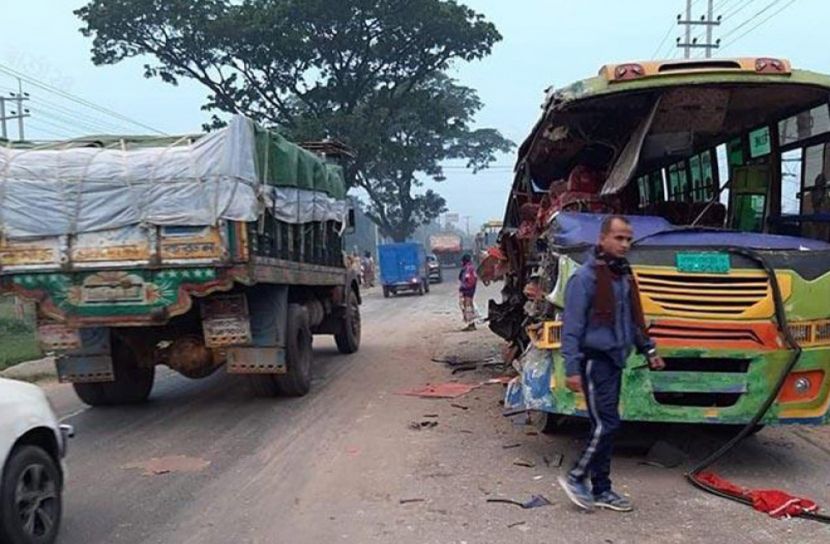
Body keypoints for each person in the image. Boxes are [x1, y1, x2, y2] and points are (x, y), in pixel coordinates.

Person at [557, 215, 665, 513]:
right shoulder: (585, 279)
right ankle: (576, 476)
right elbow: (572, 329)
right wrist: (572, 368)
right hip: (594, 362)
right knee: (607, 424)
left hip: (616, 361)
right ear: (602, 239)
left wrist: (648, 349)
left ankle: (602, 489)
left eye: (628, 239)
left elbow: (632, 320)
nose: (624, 244)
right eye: (618, 238)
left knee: (604, 425)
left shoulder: (622, 275)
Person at [458, 254, 478, 330]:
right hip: (471, 290)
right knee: (468, 305)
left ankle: (471, 324)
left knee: (467, 306)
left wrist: (463, 289)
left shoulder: (467, 269)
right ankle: (472, 323)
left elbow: (465, 280)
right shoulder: (471, 268)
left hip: (467, 290)